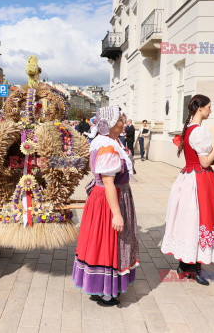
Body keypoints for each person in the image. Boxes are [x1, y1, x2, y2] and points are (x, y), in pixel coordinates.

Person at [73, 106, 139, 307]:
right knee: (108, 242)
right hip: (110, 199)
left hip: (104, 198)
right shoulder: (108, 146)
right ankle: (106, 292)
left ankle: (100, 287)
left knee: (100, 241)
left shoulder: (107, 141)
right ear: (111, 124)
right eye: (121, 119)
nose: (124, 122)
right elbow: (109, 182)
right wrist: (117, 214)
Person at [161, 95, 214, 286]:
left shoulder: (190, 128)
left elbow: (203, 160)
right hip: (199, 181)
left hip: (190, 178)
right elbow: (204, 162)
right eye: (209, 107)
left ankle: (186, 265)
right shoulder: (199, 132)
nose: (210, 110)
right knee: (200, 219)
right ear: (200, 109)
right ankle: (194, 267)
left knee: (189, 221)